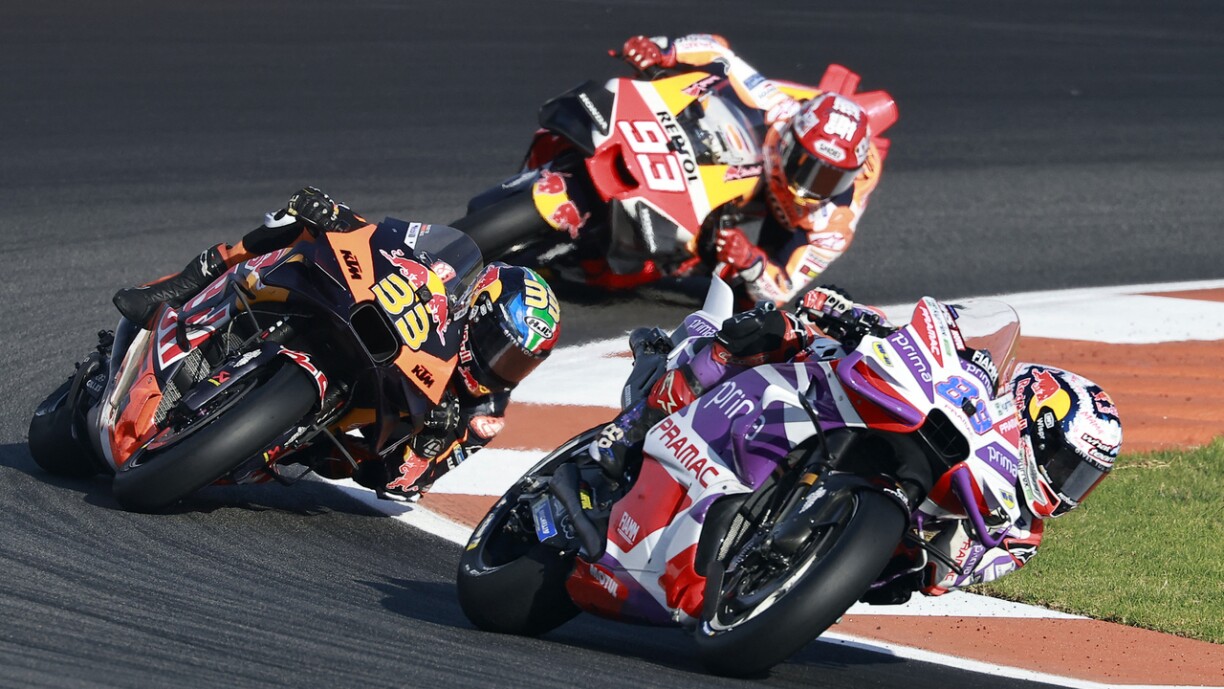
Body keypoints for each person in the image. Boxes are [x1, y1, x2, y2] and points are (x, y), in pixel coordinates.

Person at [590, 285, 1122, 601]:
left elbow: (930, 581)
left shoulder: (1019, 533)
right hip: (845, 401)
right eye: (1065, 464)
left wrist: (925, 561)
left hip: (858, 536)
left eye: (1082, 478)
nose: (1066, 484)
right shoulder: (980, 382)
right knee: (782, 327)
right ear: (1033, 419)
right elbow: (926, 348)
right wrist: (858, 319)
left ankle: (761, 575)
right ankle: (637, 422)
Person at [112, 187, 562, 498]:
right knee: (297, 222)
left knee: (341, 461)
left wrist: (427, 445)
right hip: (351, 323)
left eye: (516, 363)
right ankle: (182, 286)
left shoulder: (484, 414)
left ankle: (251, 439)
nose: (499, 365)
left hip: (347, 434)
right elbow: (391, 242)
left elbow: (403, 484)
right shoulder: (442, 282)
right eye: (497, 345)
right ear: (476, 307)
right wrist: (339, 218)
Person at [608, 34, 896, 305]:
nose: (809, 187)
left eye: (831, 179)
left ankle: (689, 254)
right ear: (791, 141)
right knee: (682, 67)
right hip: (766, 148)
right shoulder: (783, 110)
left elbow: (782, 290)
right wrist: (666, 53)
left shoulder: (834, 227)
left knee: (750, 304)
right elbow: (719, 51)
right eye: (805, 166)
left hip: (789, 218)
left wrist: (751, 261)